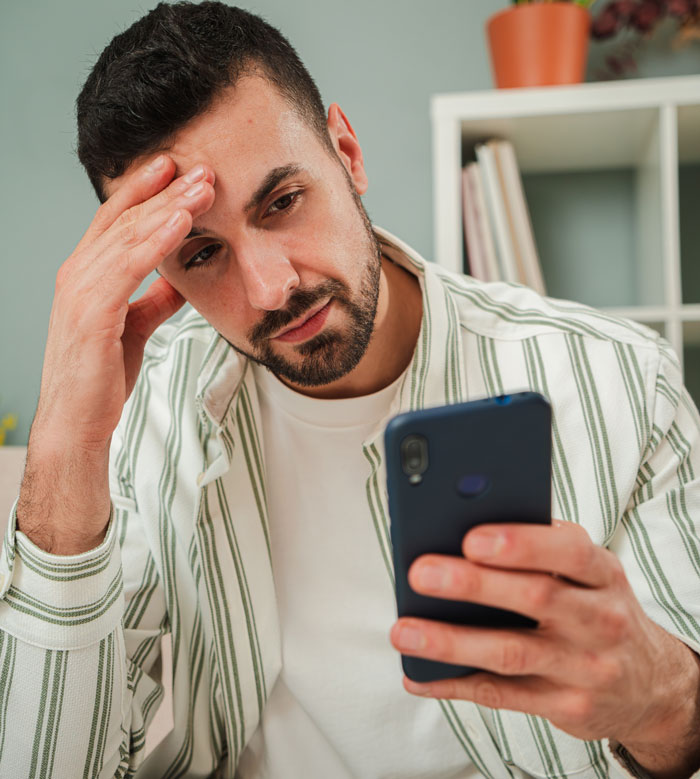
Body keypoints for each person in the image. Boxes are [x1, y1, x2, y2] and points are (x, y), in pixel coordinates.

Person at [1, 2, 699, 777]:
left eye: (281, 201)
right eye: (201, 253)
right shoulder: (148, 412)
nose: (270, 289)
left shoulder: (622, 382)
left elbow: (681, 723)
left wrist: (665, 700)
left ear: (347, 151)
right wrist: (66, 438)